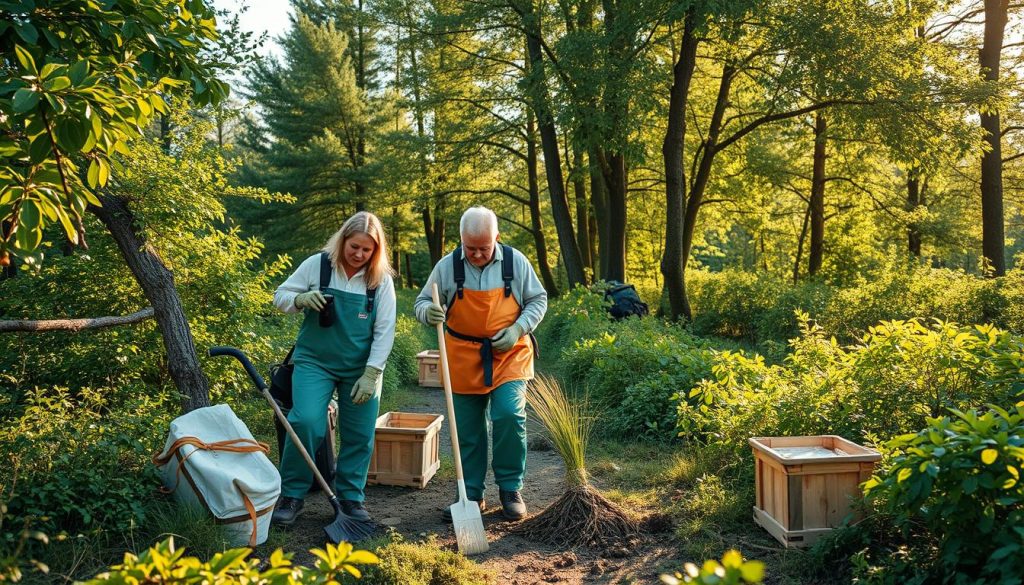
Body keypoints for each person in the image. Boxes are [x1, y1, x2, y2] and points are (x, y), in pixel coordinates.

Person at [414, 206, 548, 521]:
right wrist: (428, 312)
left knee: (509, 416)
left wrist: (518, 328)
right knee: (467, 430)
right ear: (460, 240)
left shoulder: (516, 263)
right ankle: (470, 495)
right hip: (461, 355)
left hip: (509, 354)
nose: (475, 254)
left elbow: (537, 300)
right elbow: (422, 301)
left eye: (483, 248)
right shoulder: (446, 267)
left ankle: (510, 488)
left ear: (496, 239)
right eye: (469, 248)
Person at [271, 211, 396, 526]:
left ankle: (351, 498)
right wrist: (300, 299)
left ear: (376, 251)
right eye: (354, 247)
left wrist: (372, 374)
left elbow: (385, 331)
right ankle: (292, 494)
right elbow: (280, 297)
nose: (359, 254)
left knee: (359, 433)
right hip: (315, 362)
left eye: (367, 250)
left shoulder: (380, 280)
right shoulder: (318, 265)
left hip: (360, 368)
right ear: (343, 241)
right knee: (306, 421)